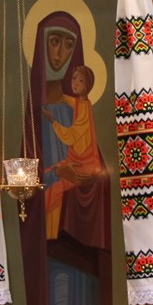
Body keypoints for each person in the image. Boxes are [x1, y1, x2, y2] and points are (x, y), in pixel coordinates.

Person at [20, 11, 111, 305]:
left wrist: (86, 181)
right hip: (50, 250)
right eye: (53, 42)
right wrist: (46, 187)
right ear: (40, 46)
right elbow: (23, 183)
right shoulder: (33, 113)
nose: (59, 52)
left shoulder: (82, 108)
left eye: (68, 44)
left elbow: (99, 173)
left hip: (80, 247)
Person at [40, 65, 108, 240]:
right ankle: (46, 233)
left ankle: (50, 234)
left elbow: (70, 137)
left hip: (85, 164)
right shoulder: (78, 103)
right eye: (74, 79)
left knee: (54, 187)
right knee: (47, 175)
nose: (76, 83)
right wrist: (56, 91)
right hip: (75, 158)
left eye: (81, 80)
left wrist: (52, 120)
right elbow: (67, 99)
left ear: (89, 85)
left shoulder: (85, 109)